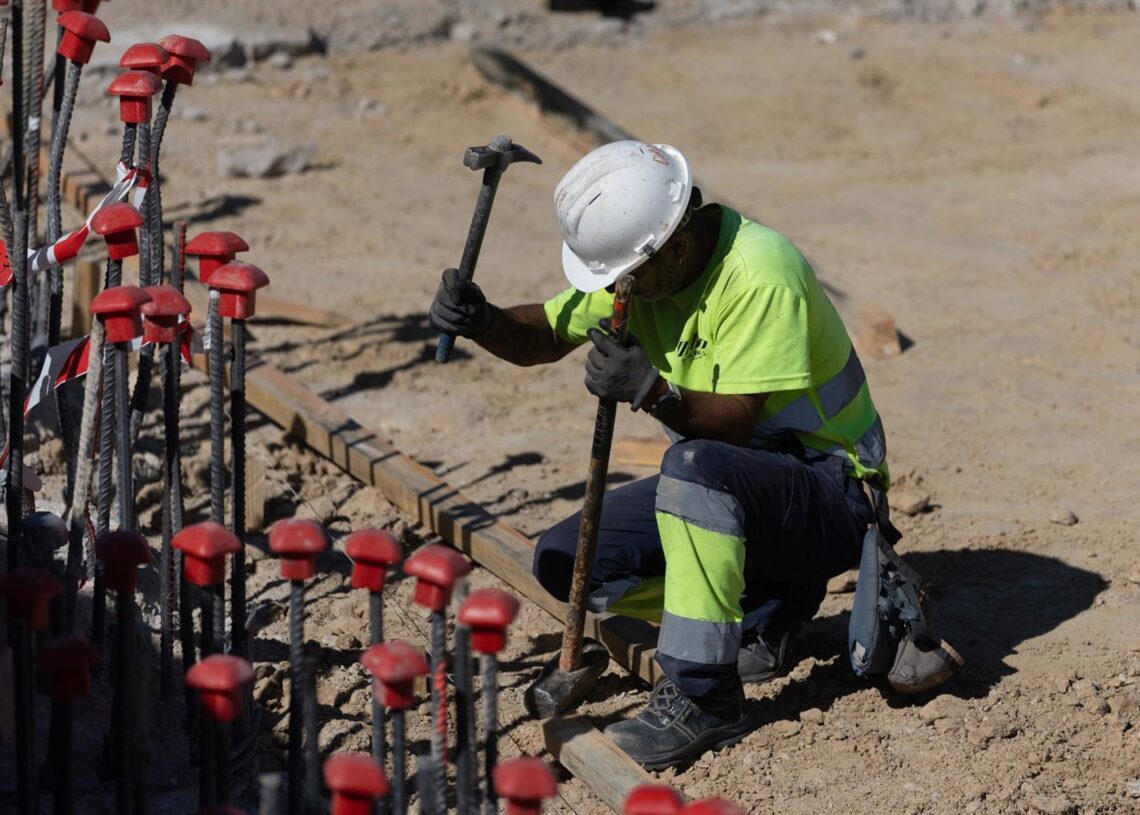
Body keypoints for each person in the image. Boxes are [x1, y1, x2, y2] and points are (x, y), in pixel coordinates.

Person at [429, 140, 890, 769]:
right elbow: (544, 333)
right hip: (733, 495)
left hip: (831, 495)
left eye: (627, 275)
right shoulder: (642, 277)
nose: (618, 290)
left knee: (694, 467)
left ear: (673, 245)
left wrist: (651, 390)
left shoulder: (759, 273)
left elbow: (732, 428)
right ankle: (764, 610)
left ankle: (706, 699)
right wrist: (482, 319)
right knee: (570, 565)